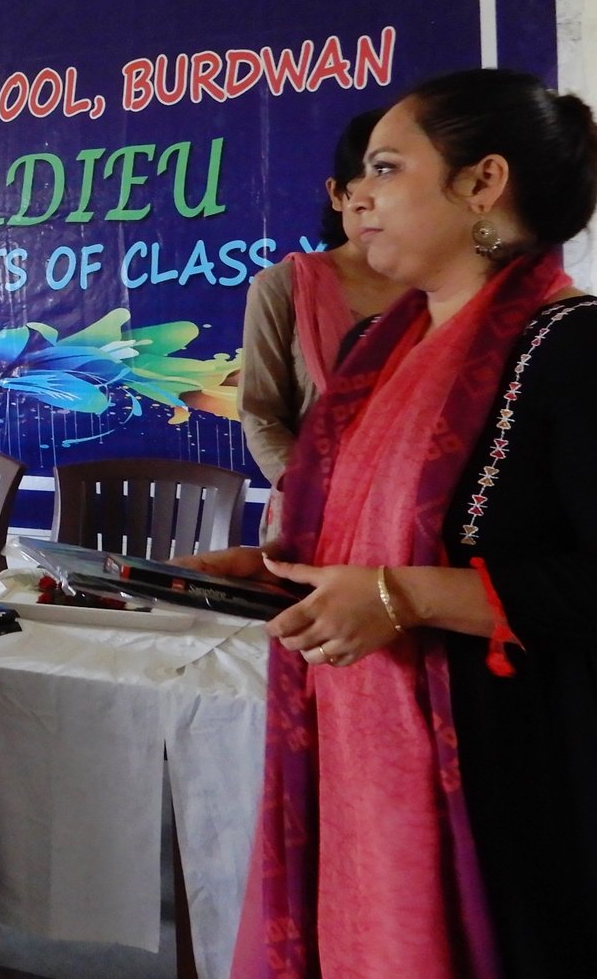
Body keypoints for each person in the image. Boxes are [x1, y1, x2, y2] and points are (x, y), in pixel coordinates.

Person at [192, 69, 597, 977]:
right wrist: (283, 570)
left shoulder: (571, 348)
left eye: (385, 168)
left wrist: (401, 597)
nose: (357, 196)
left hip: (512, 777)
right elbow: (371, 539)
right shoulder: (379, 352)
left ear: (481, 183)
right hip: (361, 763)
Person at [240, 108, 406, 505]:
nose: (376, 212)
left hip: (421, 513)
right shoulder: (283, 286)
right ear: (337, 195)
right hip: (315, 511)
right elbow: (261, 413)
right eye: (362, 198)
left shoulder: (442, 289)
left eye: (395, 199)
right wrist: (314, 490)